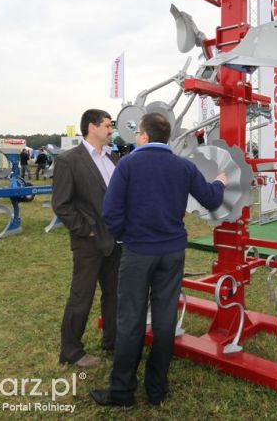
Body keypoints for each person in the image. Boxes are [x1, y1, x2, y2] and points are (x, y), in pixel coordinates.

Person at [90, 113, 226, 408]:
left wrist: (127, 236)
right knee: (165, 319)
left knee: (131, 319)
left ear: (143, 136)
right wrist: (219, 181)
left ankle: (122, 392)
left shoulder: (127, 164)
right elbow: (212, 199)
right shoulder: (183, 166)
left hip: (139, 252)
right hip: (172, 251)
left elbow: (111, 211)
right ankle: (156, 389)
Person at [52, 109, 121, 368]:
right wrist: (87, 230)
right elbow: (61, 204)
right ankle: (71, 351)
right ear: (92, 127)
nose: (111, 129)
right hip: (89, 242)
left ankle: (112, 341)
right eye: (107, 125)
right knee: (82, 296)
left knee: (114, 294)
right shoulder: (69, 160)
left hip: (116, 240)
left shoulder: (112, 159)